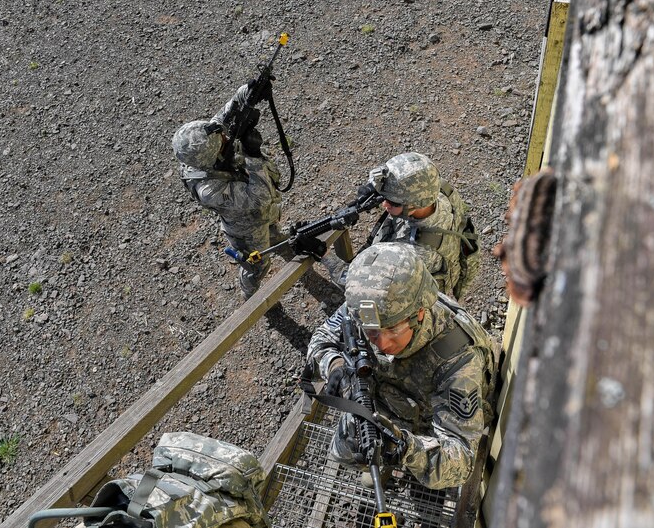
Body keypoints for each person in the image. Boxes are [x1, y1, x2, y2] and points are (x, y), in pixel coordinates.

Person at [306, 242, 496, 489]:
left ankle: (396, 461)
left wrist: (405, 447)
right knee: (344, 449)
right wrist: (335, 366)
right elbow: (322, 339)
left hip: (434, 418)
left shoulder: (457, 360)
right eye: (371, 332)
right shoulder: (371, 306)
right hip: (396, 397)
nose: (382, 343)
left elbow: (460, 463)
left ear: (419, 313)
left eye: (393, 330)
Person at [172, 83, 285, 299]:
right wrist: (253, 156)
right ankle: (250, 295)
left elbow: (227, 113)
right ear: (211, 158)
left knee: (274, 231)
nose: (225, 137)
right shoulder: (208, 189)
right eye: (222, 141)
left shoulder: (205, 139)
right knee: (259, 264)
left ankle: (277, 238)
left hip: (263, 214)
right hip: (246, 228)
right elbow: (259, 198)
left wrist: (249, 91)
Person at [322, 152, 477, 299]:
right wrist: (378, 189)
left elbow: (365, 287)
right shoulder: (438, 189)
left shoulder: (412, 253)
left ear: (414, 205)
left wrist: (325, 256)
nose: (384, 204)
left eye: (392, 202)